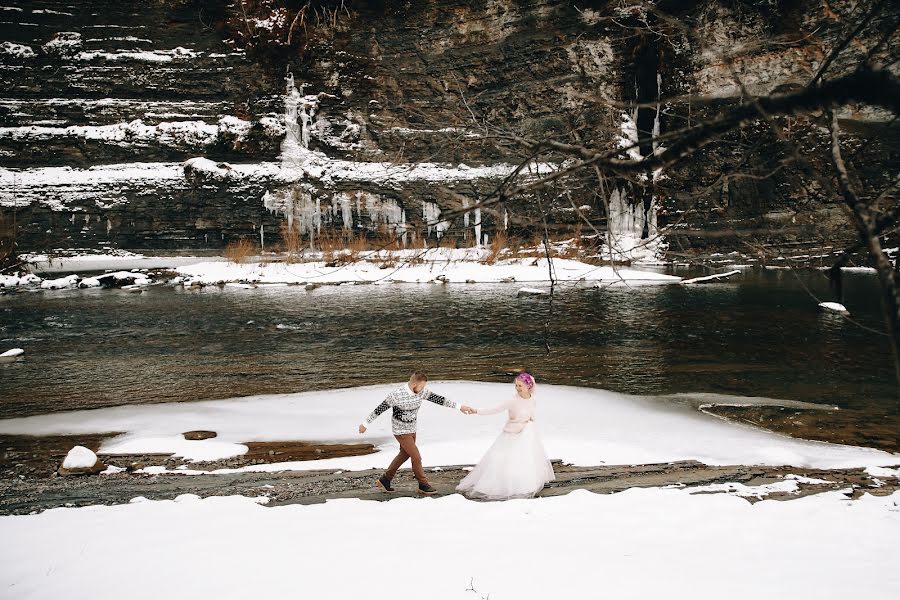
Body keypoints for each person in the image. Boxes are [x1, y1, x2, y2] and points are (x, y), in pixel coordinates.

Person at [359, 371, 475, 495]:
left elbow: (440, 400)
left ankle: (385, 479)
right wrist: (365, 424)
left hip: (412, 429)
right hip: (400, 431)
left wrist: (460, 406)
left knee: (404, 454)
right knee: (416, 456)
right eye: (422, 386)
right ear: (414, 384)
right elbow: (379, 409)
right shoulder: (397, 395)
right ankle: (423, 484)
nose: (424, 389)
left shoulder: (421, 392)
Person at [456, 372, 555, 499]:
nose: (517, 388)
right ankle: (505, 483)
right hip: (511, 433)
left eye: (520, 386)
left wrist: (531, 424)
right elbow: (494, 409)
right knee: (505, 459)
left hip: (526, 433)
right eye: (516, 385)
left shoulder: (532, 399)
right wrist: (476, 411)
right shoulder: (512, 401)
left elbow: (531, 412)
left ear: (529, 386)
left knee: (526, 459)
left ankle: (526, 482)